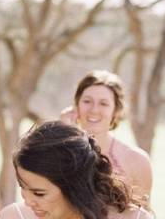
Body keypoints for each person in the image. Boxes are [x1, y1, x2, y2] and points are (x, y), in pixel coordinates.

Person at [0, 121, 152, 219]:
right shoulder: (14, 216)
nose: (28, 202)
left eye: (39, 193)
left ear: (75, 186)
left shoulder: (136, 218)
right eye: (23, 188)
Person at [59, 70, 153, 205]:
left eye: (103, 103)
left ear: (116, 111)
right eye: (87, 101)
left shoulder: (138, 160)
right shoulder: (59, 152)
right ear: (76, 106)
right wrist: (63, 134)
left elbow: (143, 214)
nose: (94, 110)